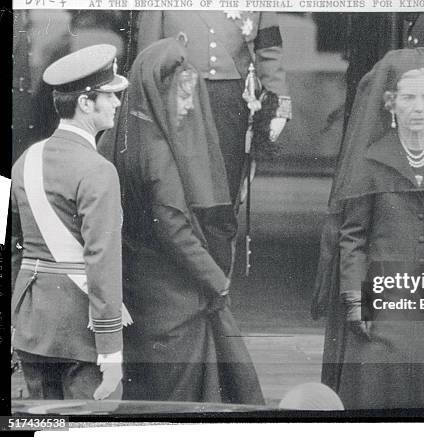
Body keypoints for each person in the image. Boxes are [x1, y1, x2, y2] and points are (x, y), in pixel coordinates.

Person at [316, 48, 424, 409]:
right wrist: (356, 300)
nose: (419, 107)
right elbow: (354, 239)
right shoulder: (370, 160)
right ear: (390, 103)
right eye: (408, 98)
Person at [98, 37, 264, 404]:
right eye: (183, 95)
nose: (189, 106)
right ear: (160, 92)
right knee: (182, 400)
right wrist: (218, 281)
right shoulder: (158, 153)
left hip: (138, 292)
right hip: (172, 305)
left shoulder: (117, 136)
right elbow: (174, 229)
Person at [11, 44, 130, 400]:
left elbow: (10, 249)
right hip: (81, 335)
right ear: (85, 103)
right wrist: (111, 353)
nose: (117, 103)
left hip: (31, 328)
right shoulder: (98, 171)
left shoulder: (23, 162)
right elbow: (102, 262)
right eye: (109, 96)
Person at [136, 11, 292, 275]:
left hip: (231, 105)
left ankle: (218, 280)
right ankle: (181, 280)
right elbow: (148, 53)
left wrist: (279, 104)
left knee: (224, 195)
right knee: (176, 193)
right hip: (178, 102)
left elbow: (269, 49)